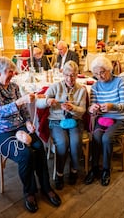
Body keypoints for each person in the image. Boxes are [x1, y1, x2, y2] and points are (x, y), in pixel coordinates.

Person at [0, 57, 61, 213]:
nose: (12, 73)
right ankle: (29, 192)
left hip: (18, 126)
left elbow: (24, 110)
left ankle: (45, 187)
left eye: (12, 71)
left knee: (39, 147)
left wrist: (28, 122)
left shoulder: (14, 87)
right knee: (25, 154)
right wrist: (19, 102)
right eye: (8, 71)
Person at [36, 60, 87, 190]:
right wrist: (47, 101)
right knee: (63, 143)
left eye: (73, 75)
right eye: (67, 75)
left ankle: (74, 170)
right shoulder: (55, 86)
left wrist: (73, 108)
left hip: (74, 120)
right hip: (56, 120)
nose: (70, 78)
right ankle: (59, 173)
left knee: (75, 142)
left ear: (77, 75)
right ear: (63, 74)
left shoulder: (81, 89)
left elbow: (83, 110)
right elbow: (39, 103)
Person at [84, 56, 124, 186]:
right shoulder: (95, 87)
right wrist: (92, 108)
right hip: (104, 118)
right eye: (96, 74)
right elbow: (91, 107)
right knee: (96, 136)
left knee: (106, 138)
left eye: (102, 72)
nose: (100, 76)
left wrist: (112, 106)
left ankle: (106, 169)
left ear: (109, 69)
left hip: (120, 118)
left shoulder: (120, 82)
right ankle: (94, 168)